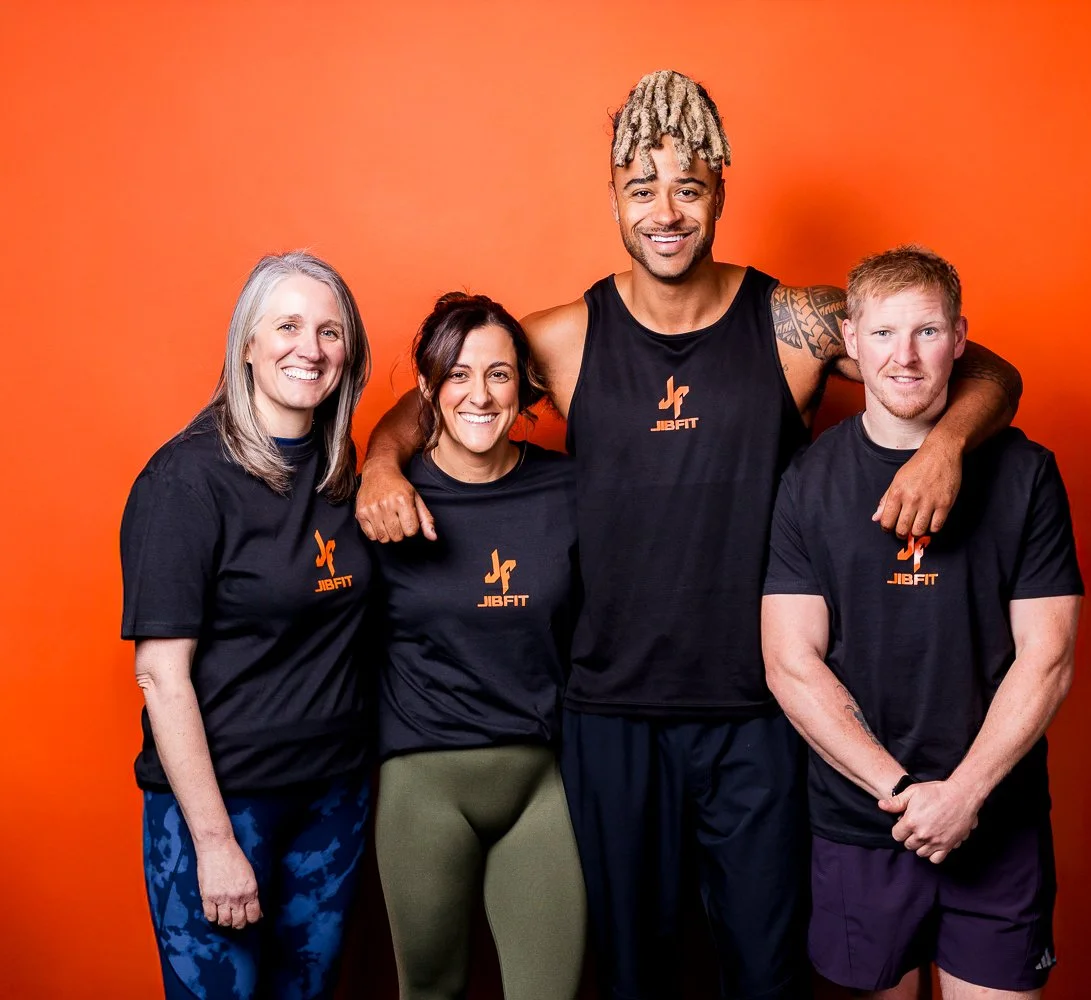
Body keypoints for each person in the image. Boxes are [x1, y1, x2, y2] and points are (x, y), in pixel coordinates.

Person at [356, 71, 1023, 999]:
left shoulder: (791, 325)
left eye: (689, 187)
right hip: (612, 714)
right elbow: (440, 390)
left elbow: (983, 367)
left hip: (760, 713)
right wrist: (382, 465)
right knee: (635, 976)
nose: (666, 211)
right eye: (643, 188)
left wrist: (946, 445)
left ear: (720, 195)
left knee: (765, 973)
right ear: (614, 199)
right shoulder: (567, 337)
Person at [762, 246, 1082, 999]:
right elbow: (790, 663)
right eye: (883, 333)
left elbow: (1048, 657)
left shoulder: (1027, 474)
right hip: (862, 822)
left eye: (927, 332)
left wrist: (964, 795)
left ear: (961, 338)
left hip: (997, 820)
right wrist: (905, 791)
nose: (903, 356)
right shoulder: (808, 480)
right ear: (850, 340)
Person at [120, 252, 374, 1000]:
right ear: (248, 345)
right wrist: (213, 842)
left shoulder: (341, 471)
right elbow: (160, 675)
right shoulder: (185, 480)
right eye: (287, 326)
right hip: (226, 806)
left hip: (333, 802)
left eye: (330, 332)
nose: (310, 349)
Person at [371, 293, 585, 1000]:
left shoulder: (567, 488)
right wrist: (379, 465)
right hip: (423, 786)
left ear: (523, 385)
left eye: (498, 374)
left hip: (542, 782)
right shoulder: (386, 501)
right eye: (457, 375)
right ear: (428, 388)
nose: (480, 394)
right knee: (429, 989)